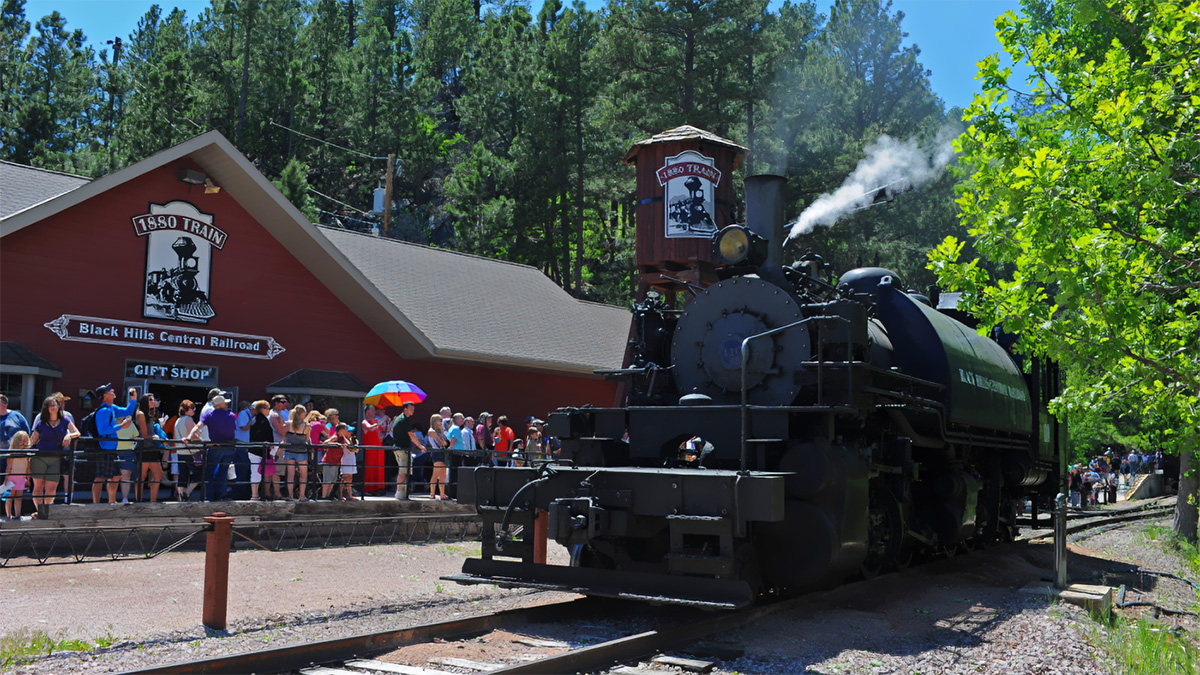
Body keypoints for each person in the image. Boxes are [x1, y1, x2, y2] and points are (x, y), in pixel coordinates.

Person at [29, 395, 80, 518]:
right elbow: (33, 440)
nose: (53, 407)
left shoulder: (65, 420)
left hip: (56, 458)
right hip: (39, 457)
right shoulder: (41, 423)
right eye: (50, 405)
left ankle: (44, 509)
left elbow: (77, 432)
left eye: (55, 404)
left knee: (51, 489)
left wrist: (69, 436)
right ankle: (40, 512)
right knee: (38, 486)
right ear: (46, 408)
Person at [92, 384, 139, 504]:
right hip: (104, 448)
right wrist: (121, 426)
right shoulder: (103, 411)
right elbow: (102, 430)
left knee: (115, 476)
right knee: (100, 477)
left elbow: (127, 411)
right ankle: (95, 504)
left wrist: (133, 400)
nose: (112, 390)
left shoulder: (112, 408)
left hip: (112, 448)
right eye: (109, 390)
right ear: (104, 395)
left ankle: (111, 502)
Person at [185, 395, 238, 501]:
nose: (226, 404)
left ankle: (210, 497)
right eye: (225, 403)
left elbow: (198, 426)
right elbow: (233, 432)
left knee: (209, 473)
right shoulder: (231, 415)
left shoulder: (209, 415)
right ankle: (220, 495)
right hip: (229, 447)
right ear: (221, 404)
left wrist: (189, 436)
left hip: (215, 446)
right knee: (223, 472)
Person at [134, 394, 165, 502]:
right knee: (142, 477)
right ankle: (139, 501)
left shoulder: (150, 414)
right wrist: (155, 437)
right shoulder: (141, 414)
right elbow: (144, 434)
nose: (153, 401)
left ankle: (153, 501)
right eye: (150, 399)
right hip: (145, 448)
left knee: (158, 474)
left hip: (152, 447)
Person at [391, 402, 425, 500]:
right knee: (403, 471)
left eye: (413, 408)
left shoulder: (399, 418)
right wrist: (420, 446)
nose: (413, 410)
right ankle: (399, 494)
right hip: (403, 449)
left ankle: (402, 493)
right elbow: (411, 435)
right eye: (411, 408)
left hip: (400, 448)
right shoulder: (404, 420)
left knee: (404, 471)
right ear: (405, 409)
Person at [282, 404, 311, 501]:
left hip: (289, 451)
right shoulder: (306, 425)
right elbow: (307, 439)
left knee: (290, 475)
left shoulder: (288, 423)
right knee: (303, 476)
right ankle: (301, 496)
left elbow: (285, 437)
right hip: (301, 452)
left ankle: (290, 496)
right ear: (302, 413)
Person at [173, 400, 200, 501]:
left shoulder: (178, 421)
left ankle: (181, 497)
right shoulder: (188, 419)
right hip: (191, 452)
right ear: (186, 409)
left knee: (183, 475)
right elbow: (193, 435)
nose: (194, 410)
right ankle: (187, 492)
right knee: (200, 473)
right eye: (192, 408)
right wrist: (203, 441)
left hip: (180, 451)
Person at [247, 400, 274, 501]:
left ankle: (256, 494)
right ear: (262, 409)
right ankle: (254, 495)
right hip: (258, 450)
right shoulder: (262, 421)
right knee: (256, 472)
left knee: (256, 472)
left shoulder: (255, 419)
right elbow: (266, 435)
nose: (269, 410)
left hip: (254, 449)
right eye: (267, 408)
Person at [4, 431, 32, 520]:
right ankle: (8, 515)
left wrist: (28, 478)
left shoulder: (27, 454)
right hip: (12, 477)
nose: (23, 443)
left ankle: (17, 514)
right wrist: (6, 478)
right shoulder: (12, 453)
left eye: (25, 440)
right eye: (21, 440)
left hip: (22, 478)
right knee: (9, 497)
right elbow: (9, 467)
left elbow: (28, 467)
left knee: (18, 497)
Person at [360, 404, 386, 495]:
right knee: (370, 470)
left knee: (378, 469)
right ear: (367, 412)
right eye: (373, 410)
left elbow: (380, 437)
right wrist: (380, 421)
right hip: (370, 450)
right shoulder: (365, 422)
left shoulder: (375, 422)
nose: (375, 412)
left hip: (378, 448)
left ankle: (378, 488)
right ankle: (368, 489)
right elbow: (369, 428)